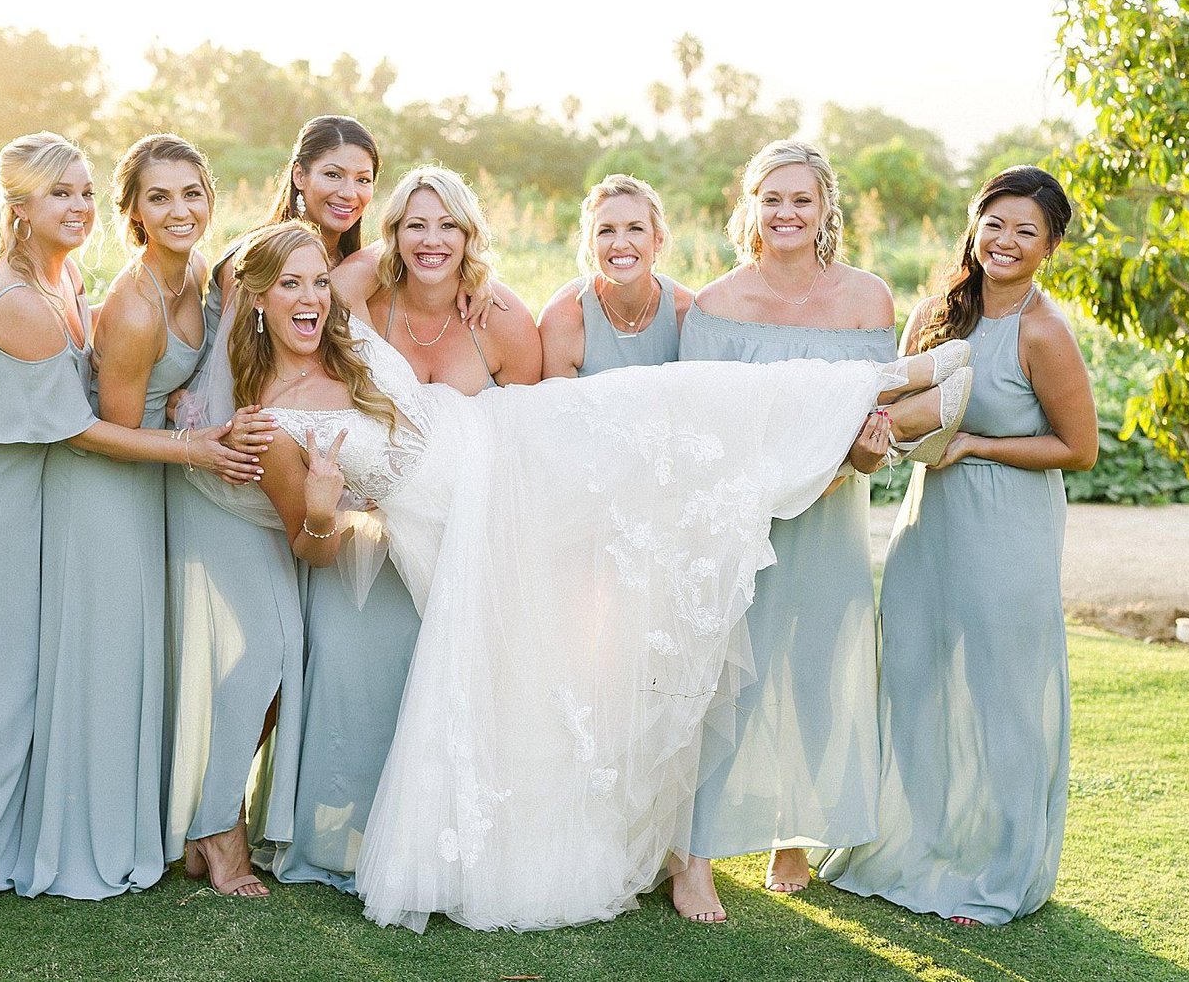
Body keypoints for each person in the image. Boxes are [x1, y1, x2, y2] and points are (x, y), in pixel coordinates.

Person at [185, 218, 972, 932]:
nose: (312, 295)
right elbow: (309, 544)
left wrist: (428, 265)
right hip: (473, 525)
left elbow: (399, 245)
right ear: (253, 297)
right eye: (288, 283)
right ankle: (894, 417)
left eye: (317, 279)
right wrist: (325, 507)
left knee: (669, 400)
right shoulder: (275, 422)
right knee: (657, 512)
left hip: (506, 436)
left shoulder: (346, 334)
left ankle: (886, 388)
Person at [0, 132, 264, 910]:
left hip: (19, 475)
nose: (77, 207)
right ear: (20, 209)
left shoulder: (64, 272)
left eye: (83, 191)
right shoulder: (20, 302)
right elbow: (79, 426)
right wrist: (194, 445)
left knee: (12, 674)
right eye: (60, 195)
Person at [165, 117, 498, 895]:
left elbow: (435, 250)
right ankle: (219, 826)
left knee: (300, 659)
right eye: (333, 176)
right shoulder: (256, 259)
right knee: (274, 654)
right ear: (299, 173)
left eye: (361, 180)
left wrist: (476, 281)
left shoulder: (356, 266)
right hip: (245, 476)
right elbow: (237, 370)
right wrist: (196, 415)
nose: (348, 192)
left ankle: (244, 812)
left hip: (318, 485)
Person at [819, 165, 1097, 926]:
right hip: (929, 522)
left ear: (1050, 246)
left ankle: (997, 871)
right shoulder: (937, 311)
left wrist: (974, 442)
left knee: (1001, 695)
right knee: (911, 674)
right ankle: (913, 845)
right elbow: (904, 413)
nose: (1006, 241)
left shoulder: (1043, 331)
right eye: (996, 223)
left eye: (1026, 231)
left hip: (1008, 529)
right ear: (976, 227)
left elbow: (1079, 447)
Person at [274, 166, 540, 893]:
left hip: (461, 538)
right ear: (392, 233)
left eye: (448, 225)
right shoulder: (366, 297)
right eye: (414, 223)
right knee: (346, 657)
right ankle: (345, 834)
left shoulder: (506, 323)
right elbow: (327, 283)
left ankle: (448, 838)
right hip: (369, 529)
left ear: (470, 235)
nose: (431, 240)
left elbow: (525, 449)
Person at [672, 140, 900, 922]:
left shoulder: (869, 299)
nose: (787, 213)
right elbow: (700, 429)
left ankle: (790, 835)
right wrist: (773, 481)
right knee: (729, 673)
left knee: (814, 672)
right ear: (751, 209)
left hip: (832, 517)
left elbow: (876, 416)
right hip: (743, 520)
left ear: (825, 208)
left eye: (802, 199)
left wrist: (859, 457)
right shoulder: (715, 305)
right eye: (773, 199)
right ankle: (694, 854)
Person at [13, 134, 217, 898]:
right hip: (106, 487)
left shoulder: (200, 273)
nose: (179, 209)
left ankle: (145, 823)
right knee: (107, 663)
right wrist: (200, 446)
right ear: (132, 212)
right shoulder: (134, 307)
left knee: (138, 655)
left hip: (154, 479)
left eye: (191, 192)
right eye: (158, 197)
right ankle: (86, 843)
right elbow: (118, 433)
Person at [538, 174, 692, 378]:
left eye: (635, 229)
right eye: (606, 231)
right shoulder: (562, 318)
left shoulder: (688, 314)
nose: (620, 244)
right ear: (592, 245)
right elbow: (555, 407)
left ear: (658, 240)